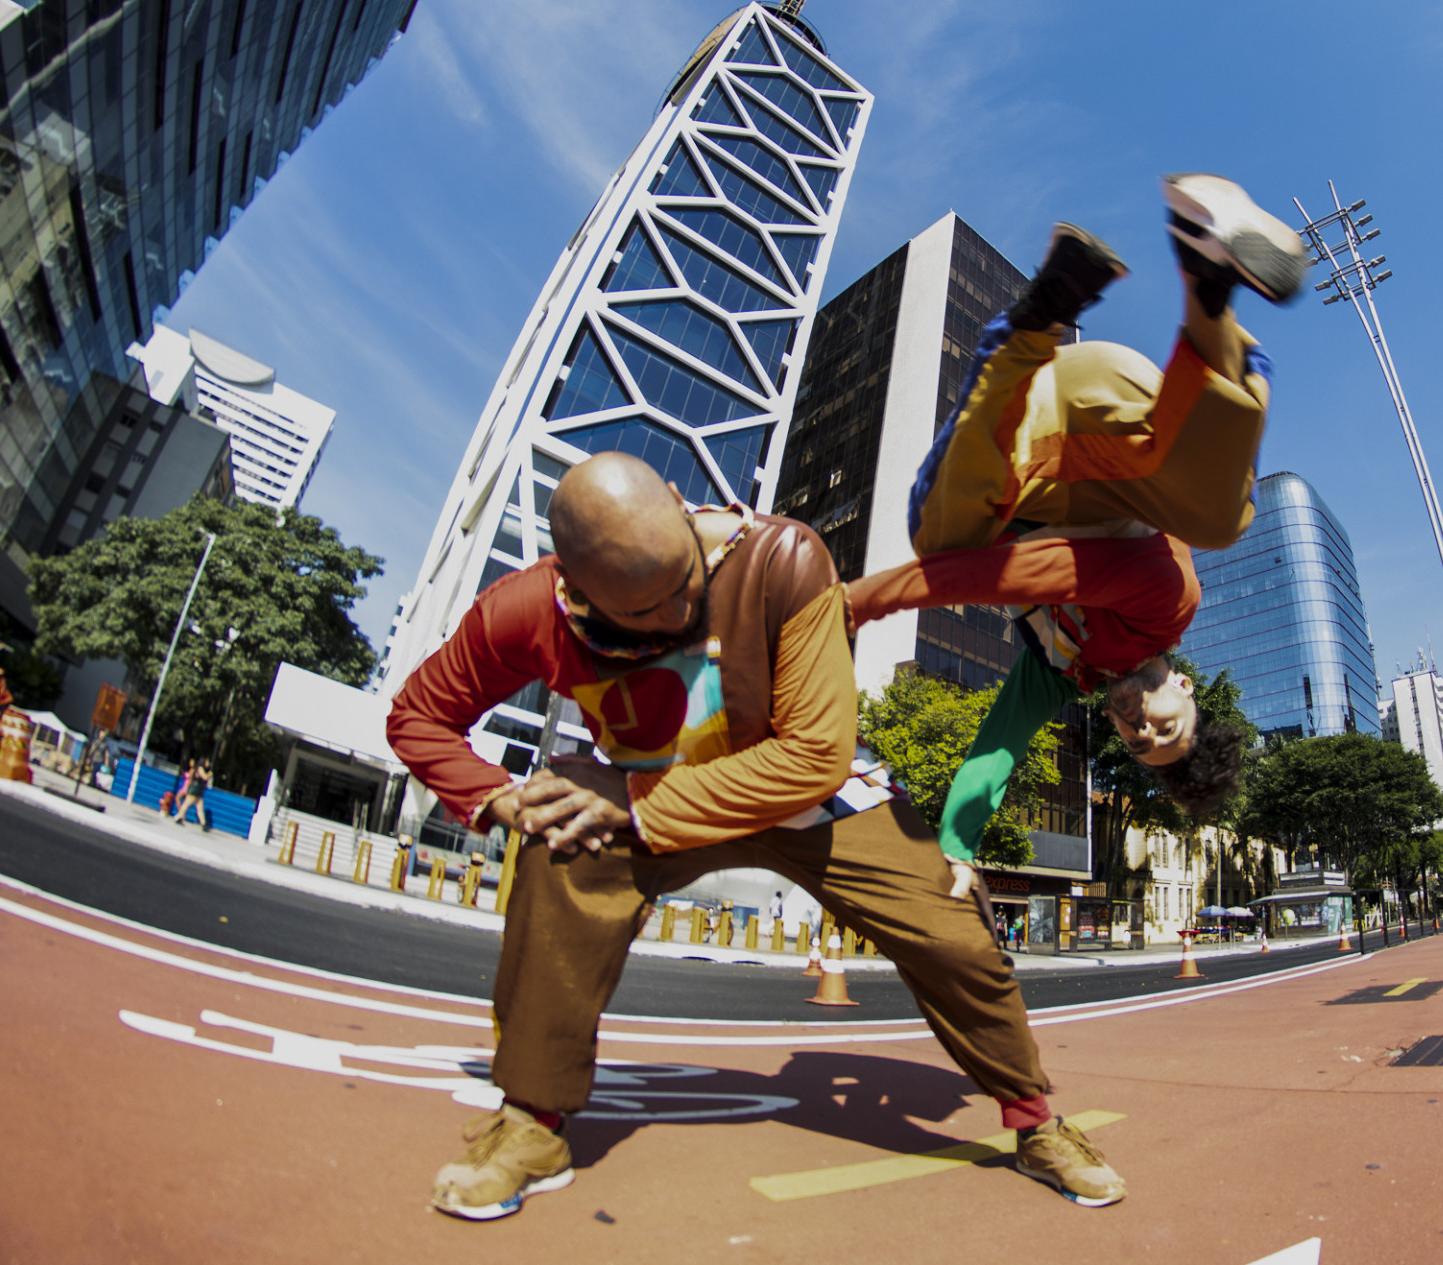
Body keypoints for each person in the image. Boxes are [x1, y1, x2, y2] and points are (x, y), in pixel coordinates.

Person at [387, 451, 1127, 1220]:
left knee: (953, 929)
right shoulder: (525, 610)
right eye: (642, 614)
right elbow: (417, 717)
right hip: (660, 799)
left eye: (687, 582)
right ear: (572, 583)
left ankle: (1035, 1121)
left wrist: (636, 801)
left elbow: (814, 755)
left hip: (803, 797)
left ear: (681, 500)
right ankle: (531, 1122)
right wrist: (507, 802)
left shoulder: (783, 557)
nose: (678, 613)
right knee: (558, 842)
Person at [850, 174, 1306, 877]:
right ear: (1184, 686)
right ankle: (1217, 323)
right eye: (1163, 725)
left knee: (940, 531)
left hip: (1041, 428)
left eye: (1138, 742)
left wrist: (955, 848)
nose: (1139, 726)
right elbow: (1031, 573)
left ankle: (1055, 306)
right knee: (1220, 520)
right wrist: (864, 600)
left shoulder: (1063, 672)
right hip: (1113, 422)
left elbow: (998, 745)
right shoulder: (1167, 603)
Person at [172, 758, 210, 828]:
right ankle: (179, 817)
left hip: (198, 790)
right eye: (207, 762)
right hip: (195, 790)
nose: (208, 764)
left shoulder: (197, 769)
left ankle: (203, 824)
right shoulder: (200, 768)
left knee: (199, 807)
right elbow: (204, 777)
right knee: (187, 804)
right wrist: (209, 775)